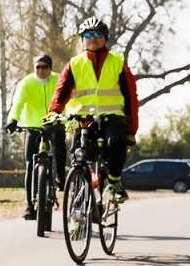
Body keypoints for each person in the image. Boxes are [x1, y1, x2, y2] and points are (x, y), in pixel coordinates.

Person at [46, 17, 139, 203]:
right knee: (78, 156)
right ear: (82, 40)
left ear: (105, 38)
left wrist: (131, 130)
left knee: (115, 143)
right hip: (81, 119)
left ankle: (113, 183)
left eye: (97, 34)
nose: (92, 38)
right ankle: (78, 204)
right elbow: (60, 93)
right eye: (87, 35)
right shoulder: (74, 64)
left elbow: (131, 98)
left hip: (112, 118)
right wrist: (54, 113)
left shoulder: (118, 62)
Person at [6, 54, 57, 219]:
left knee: (59, 150)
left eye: (45, 67)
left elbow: (67, 98)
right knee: (30, 163)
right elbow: (18, 102)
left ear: (50, 68)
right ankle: (29, 205)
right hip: (32, 126)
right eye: (38, 67)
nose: (41, 71)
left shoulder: (58, 79)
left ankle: (59, 179)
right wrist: (13, 120)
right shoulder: (27, 82)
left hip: (54, 123)